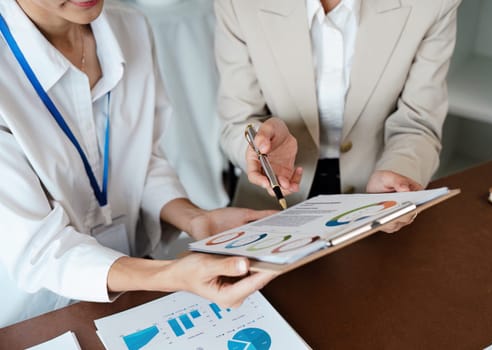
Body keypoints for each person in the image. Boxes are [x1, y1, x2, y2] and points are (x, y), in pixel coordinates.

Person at [0, 0, 276, 327]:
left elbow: (142, 163)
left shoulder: (130, 27)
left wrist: (196, 220)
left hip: (131, 294)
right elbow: (41, 252)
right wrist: (171, 274)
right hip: (36, 318)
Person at [215, 0, 462, 211]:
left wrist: (398, 174)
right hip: (271, 201)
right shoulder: (238, 4)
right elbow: (238, 120)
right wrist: (259, 150)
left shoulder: (433, 5)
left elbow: (418, 124)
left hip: (376, 195)